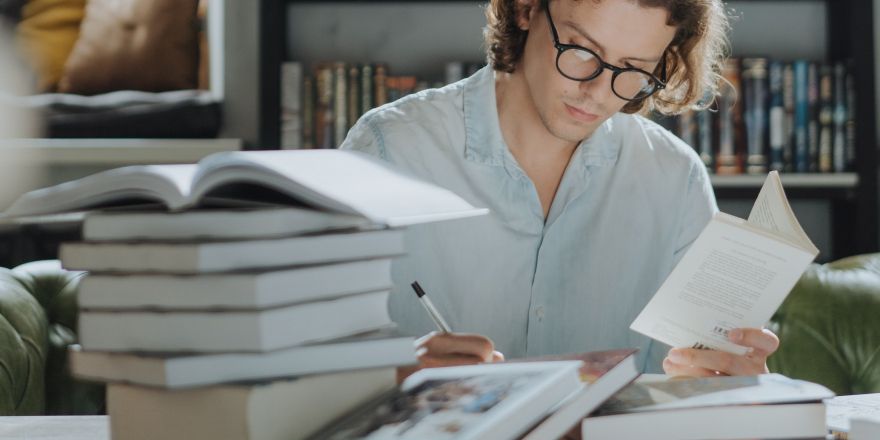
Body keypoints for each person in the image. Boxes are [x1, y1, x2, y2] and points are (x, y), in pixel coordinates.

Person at [340, 0, 779, 378]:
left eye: (633, 69)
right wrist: (394, 375)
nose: (596, 92)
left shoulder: (674, 178)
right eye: (582, 50)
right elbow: (306, 372)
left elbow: (693, 390)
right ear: (527, 9)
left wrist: (730, 379)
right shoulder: (389, 151)